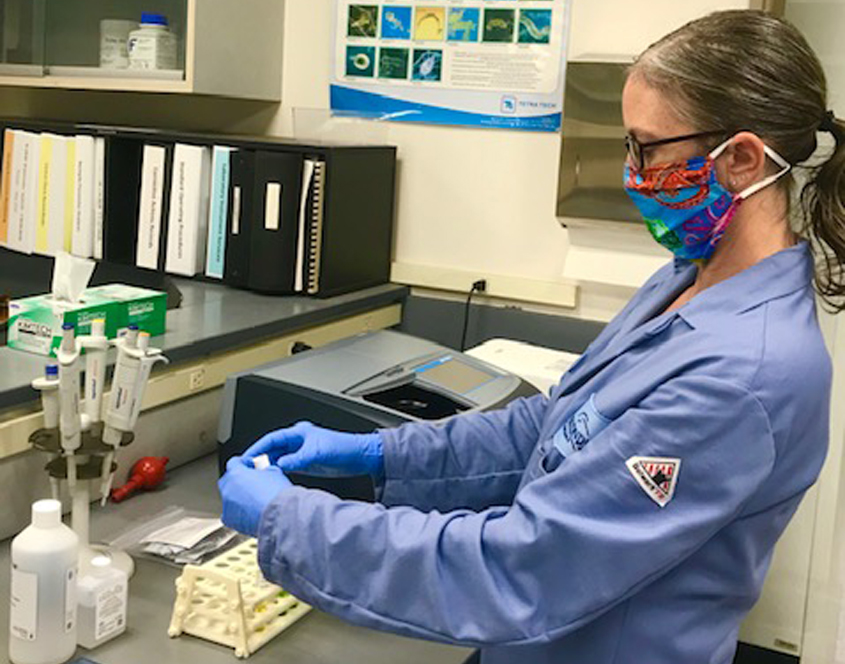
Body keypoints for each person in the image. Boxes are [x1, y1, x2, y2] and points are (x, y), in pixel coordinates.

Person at [219, 10, 844, 664]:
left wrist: (285, 523)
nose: (630, 171)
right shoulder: (686, 279)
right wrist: (381, 454)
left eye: (645, 146)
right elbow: (553, 432)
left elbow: (524, 570)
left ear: (740, 159)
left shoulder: (743, 375)